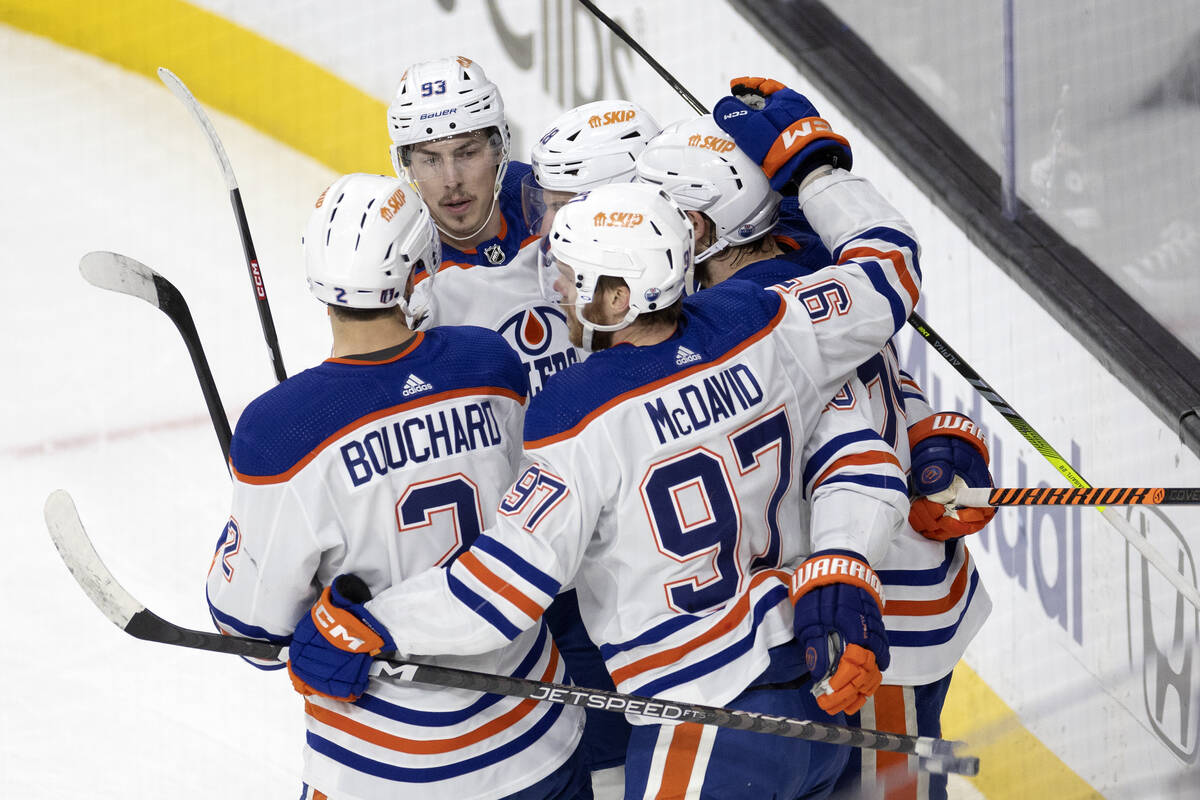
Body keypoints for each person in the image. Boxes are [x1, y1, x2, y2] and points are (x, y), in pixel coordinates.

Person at [286, 80, 927, 798]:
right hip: (813, 687)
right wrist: (818, 174)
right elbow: (890, 267)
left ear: (619, 295)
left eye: (568, 272)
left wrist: (375, 625)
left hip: (700, 717)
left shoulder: (580, 411)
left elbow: (503, 585)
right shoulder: (769, 323)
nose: (553, 288)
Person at [637, 103, 996, 800]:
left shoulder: (754, 322)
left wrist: (854, 548)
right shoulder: (821, 264)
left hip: (872, 621)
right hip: (902, 594)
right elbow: (878, 335)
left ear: (700, 225)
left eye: (660, 209)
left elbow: (855, 446)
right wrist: (925, 428)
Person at [205, 173, 588, 800]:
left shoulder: (281, 428)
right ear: (420, 265)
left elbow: (253, 632)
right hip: (535, 740)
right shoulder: (488, 361)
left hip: (380, 772)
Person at [386, 56, 581, 393]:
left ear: (498, 148)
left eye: (466, 153)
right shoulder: (394, 266)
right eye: (430, 159)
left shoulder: (550, 201)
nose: (451, 180)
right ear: (407, 166)